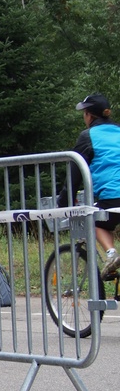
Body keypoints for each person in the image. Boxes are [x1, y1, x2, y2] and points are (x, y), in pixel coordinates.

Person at [57, 93, 120, 279]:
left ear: (89, 116)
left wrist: (64, 203)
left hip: (112, 195)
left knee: (91, 218)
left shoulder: (88, 136)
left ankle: (110, 254)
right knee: (106, 223)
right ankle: (113, 265)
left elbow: (75, 174)